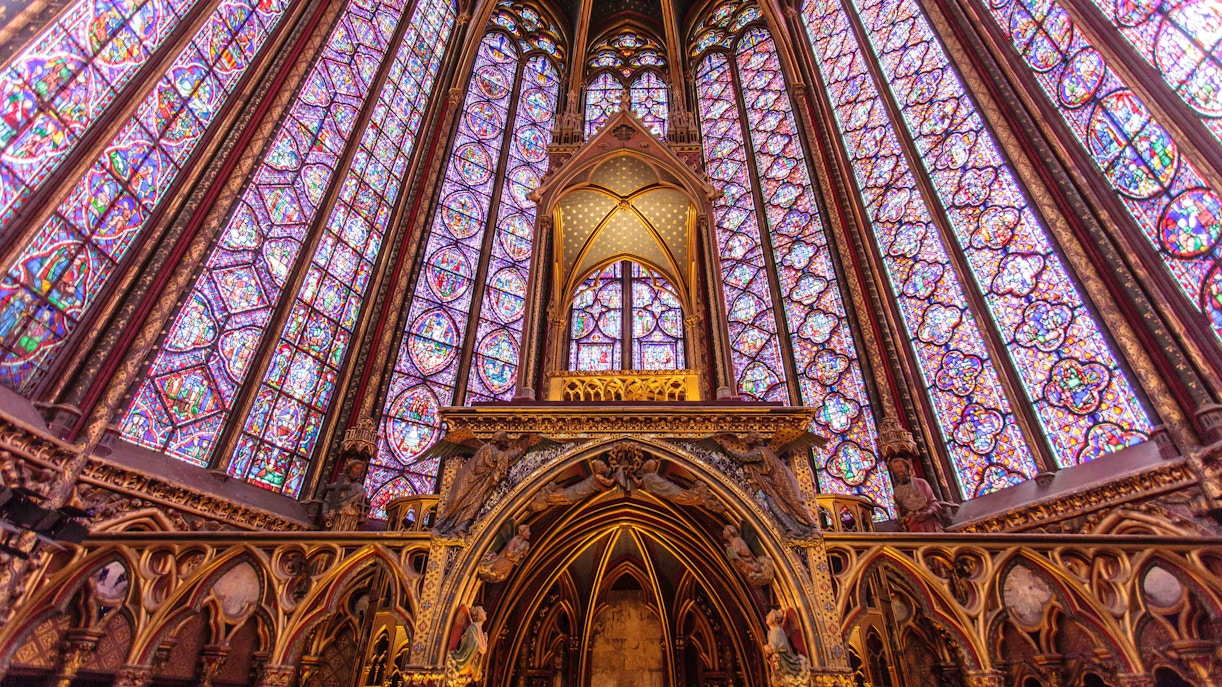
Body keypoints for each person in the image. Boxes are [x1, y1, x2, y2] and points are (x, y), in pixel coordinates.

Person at [716, 432, 817, 536]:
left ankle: (812, 527)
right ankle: (793, 529)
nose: (749, 439)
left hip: (781, 481)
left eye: (752, 437)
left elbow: (743, 458)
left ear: (758, 439)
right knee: (774, 507)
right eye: (748, 437)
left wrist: (727, 449)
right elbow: (742, 461)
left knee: (794, 503)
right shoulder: (754, 452)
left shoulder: (761, 451)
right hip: (768, 485)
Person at [435, 432, 528, 536]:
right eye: (504, 438)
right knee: (457, 501)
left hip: (481, 484)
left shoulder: (495, 451)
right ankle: (441, 526)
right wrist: (520, 450)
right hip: (469, 480)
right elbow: (504, 458)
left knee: (476, 503)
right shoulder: (488, 449)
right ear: (497, 439)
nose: (507, 441)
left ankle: (460, 527)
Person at [889, 454, 943, 532]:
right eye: (895, 468)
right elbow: (901, 514)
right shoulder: (896, 492)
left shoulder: (921, 483)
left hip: (928, 522)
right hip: (912, 525)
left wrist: (928, 513)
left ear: (906, 468)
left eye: (901, 467)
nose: (899, 470)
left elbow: (934, 503)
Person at [763, 609, 809, 687]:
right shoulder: (772, 632)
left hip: (783, 661)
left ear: (774, 619)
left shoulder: (777, 631)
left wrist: (771, 650)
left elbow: (783, 648)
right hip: (776, 660)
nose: (766, 616)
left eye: (769, 615)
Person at [320, 459, 368, 531]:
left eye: (360, 470)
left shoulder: (360, 489)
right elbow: (327, 501)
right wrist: (325, 513)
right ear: (349, 469)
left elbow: (362, 507)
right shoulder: (338, 484)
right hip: (337, 518)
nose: (357, 472)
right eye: (356, 468)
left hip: (352, 521)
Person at [446, 606, 489, 685]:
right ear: (478, 615)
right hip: (462, 660)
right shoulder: (473, 628)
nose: (485, 613)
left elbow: (482, 649)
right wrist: (479, 646)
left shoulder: (479, 629)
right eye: (483, 612)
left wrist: (483, 643)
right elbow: (469, 642)